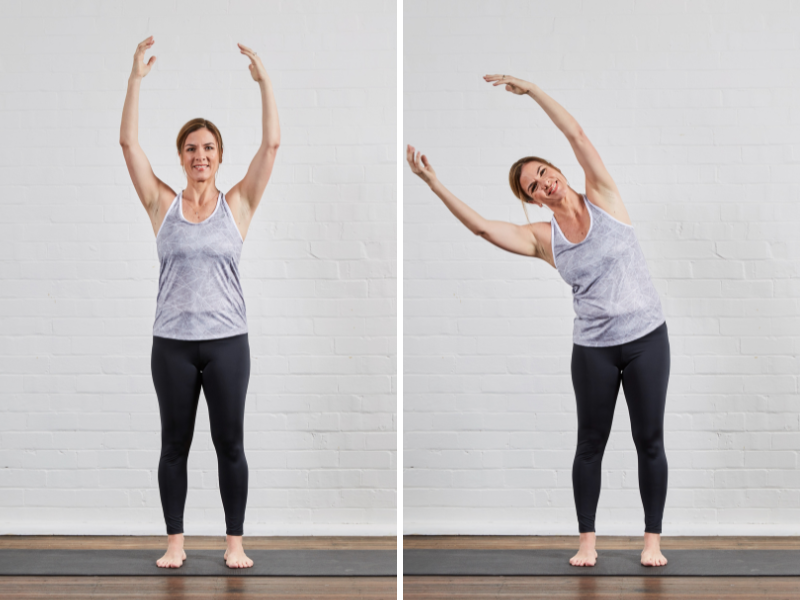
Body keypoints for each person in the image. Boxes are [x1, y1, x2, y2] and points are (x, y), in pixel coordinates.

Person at [406, 74, 670, 568]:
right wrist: (432, 182)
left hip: (646, 339)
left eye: (545, 172)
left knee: (648, 438)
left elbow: (577, 135)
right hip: (592, 348)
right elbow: (483, 228)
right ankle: (587, 542)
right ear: (533, 199)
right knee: (589, 443)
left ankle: (651, 540)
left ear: (559, 171)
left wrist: (532, 92)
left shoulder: (605, 197)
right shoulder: (544, 239)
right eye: (534, 186)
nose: (544, 182)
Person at [119, 36, 280, 569]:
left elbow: (272, 147)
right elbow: (128, 147)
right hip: (172, 345)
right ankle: (175, 542)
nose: (200, 155)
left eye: (209, 148)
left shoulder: (238, 204)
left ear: (219, 157)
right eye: (191, 148)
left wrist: (264, 84)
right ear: (182, 158)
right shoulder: (161, 203)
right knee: (174, 447)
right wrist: (135, 80)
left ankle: (235, 542)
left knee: (230, 444)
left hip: (228, 342)